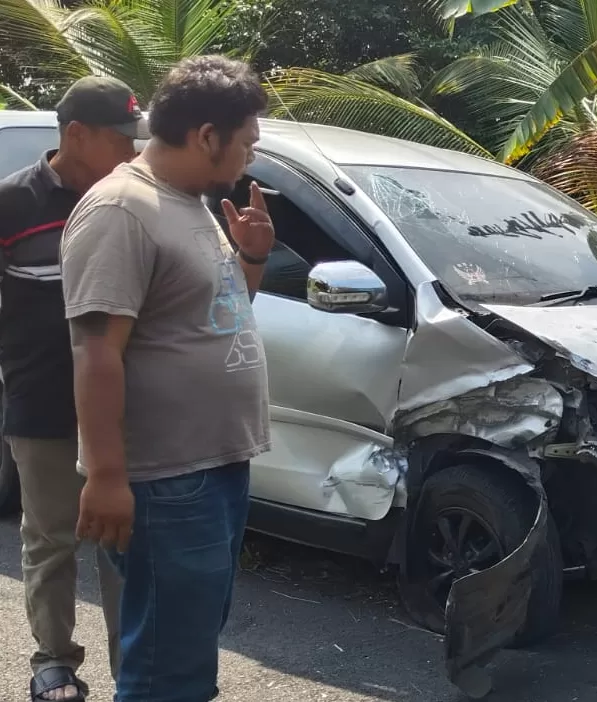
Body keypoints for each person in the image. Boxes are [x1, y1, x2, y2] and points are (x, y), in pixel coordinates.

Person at [60, 55, 273, 702]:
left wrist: (253, 255)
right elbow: (96, 352)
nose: (249, 157)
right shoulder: (123, 211)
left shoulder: (190, 201)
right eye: (244, 144)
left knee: (186, 646)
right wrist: (105, 476)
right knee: (165, 669)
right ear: (206, 135)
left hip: (214, 465)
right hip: (166, 479)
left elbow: (218, 315)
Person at [0, 75, 144, 702]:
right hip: (41, 401)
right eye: (121, 139)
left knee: (123, 543)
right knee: (51, 539)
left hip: (120, 406)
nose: (134, 154)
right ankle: (53, 661)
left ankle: (131, 668)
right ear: (75, 134)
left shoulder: (134, 202)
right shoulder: (12, 205)